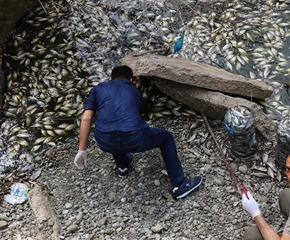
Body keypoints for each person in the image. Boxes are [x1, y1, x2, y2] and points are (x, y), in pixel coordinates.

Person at [74, 65, 202, 199]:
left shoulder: (97, 89)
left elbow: (86, 118)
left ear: (111, 78)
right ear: (131, 79)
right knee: (166, 138)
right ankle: (179, 184)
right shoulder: (134, 90)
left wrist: (82, 150)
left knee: (112, 128)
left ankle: (122, 167)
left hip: (104, 141)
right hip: (135, 138)